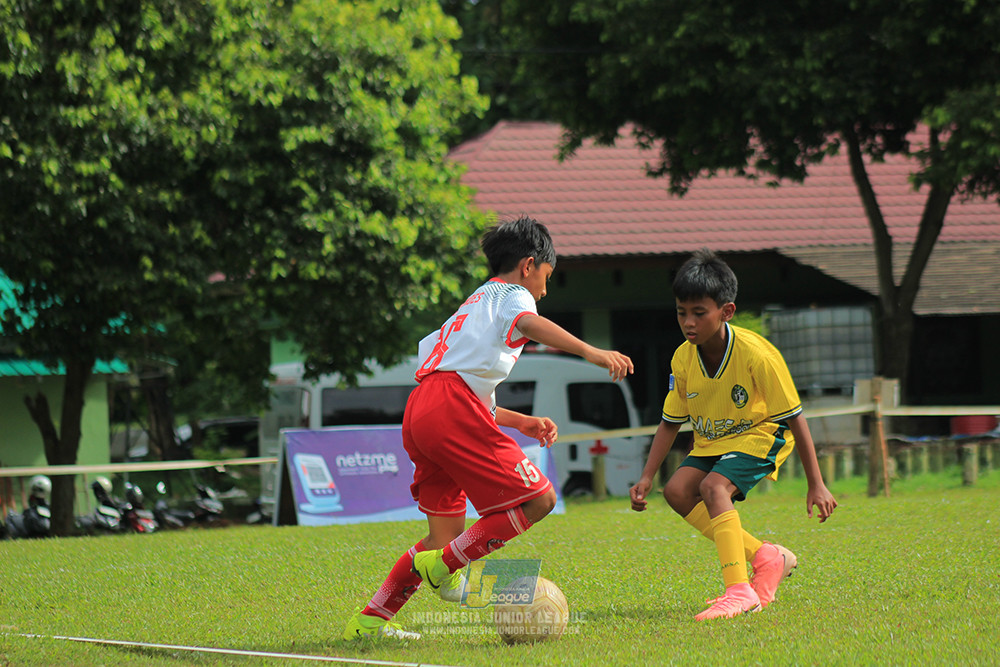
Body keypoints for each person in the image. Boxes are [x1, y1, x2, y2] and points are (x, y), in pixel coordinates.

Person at [343, 216, 634, 640]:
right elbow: (529, 324)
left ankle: (369, 622)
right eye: (547, 276)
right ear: (529, 265)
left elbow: (464, 386)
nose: (544, 290)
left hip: (423, 409)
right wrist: (592, 352)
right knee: (540, 499)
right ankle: (443, 568)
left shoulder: (474, 304)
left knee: (441, 538)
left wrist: (523, 421)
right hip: (450, 407)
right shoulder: (513, 295)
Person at [629, 249, 837, 621]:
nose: (688, 322)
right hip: (714, 442)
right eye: (681, 312)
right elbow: (670, 421)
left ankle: (739, 592)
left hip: (762, 434)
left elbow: (795, 418)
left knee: (713, 488)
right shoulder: (683, 358)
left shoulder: (757, 355)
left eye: (699, 313)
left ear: (726, 311)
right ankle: (767, 557)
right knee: (676, 491)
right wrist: (647, 476)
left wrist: (816, 483)